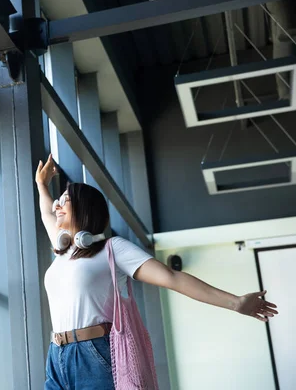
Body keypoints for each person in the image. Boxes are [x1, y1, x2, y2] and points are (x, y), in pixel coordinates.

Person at [35, 154, 279, 390]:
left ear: (85, 208)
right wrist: (41, 184)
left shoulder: (112, 250)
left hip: (94, 352)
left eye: (65, 200)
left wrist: (235, 303)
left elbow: (172, 278)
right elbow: (47, 211)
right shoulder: (63, 248)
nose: (57, 205)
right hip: (56, 355)